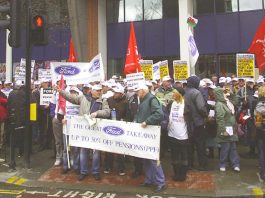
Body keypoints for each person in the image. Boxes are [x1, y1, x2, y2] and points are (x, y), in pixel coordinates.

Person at [58, 84, 110, 181]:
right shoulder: (83, 98)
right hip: (84, 130)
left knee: (95, 152)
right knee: (83, 151)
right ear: (92, 91)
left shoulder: (103, 101)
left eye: (100, 90)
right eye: (97, 90)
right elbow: (70, 97)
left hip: (96, 130)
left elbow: (107, 112)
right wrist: (61, 91)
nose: (99, 92)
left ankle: (95, 172)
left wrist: (97, 113)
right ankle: (83, 172)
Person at [134, 83, 166, 193]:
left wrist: (147, 121)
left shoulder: (152, 99)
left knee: (153, 158)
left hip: (151, 134)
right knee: (147, 157)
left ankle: (161, 182)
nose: (137, 93)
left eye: (138, 91)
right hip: (146, 133)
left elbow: (160, 114)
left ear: (143, 91)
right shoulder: (146, 100)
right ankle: (149, 180)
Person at [184, 75, 208, 171]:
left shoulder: (184, 92)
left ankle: (190, 164)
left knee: (189, 145)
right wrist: (206, 115)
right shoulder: (196, 92)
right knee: (200, 145)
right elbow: (201, 107)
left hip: (187, 122)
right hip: (197, 122)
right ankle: (202, 165)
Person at [214, 87, 240, 172]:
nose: (226, 93)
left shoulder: (227, 101)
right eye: (223, 92)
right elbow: (219, 118)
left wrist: (232, 93)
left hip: (232, 128)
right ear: (219, 94)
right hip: (225, 128)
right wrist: (223, 130)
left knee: (233, 147)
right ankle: (222, 164)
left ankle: (235, 164)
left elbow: (236, 101)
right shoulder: (219, 104)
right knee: (225, 148)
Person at [104, 84, 127, 175]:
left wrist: (124, 120)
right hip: (109, 126)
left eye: (117, 93)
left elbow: (128, 114)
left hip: (121, 128)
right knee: (109, 148)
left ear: (121, 94)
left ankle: (121, 168)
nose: (114, 94)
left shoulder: (126, 102)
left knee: (120, 149)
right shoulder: (109, 100)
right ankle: (108, 166)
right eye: (114, 92)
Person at [167, 89, 189, 181]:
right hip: (172, 134)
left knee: (184, 156)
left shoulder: (186, 104)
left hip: (183, 135)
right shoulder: (171, 104)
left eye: (175, 93)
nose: (173, 94)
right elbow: (166, 114)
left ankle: (183, 175)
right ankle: (176, 174)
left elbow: (190, 117)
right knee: (174, 156)